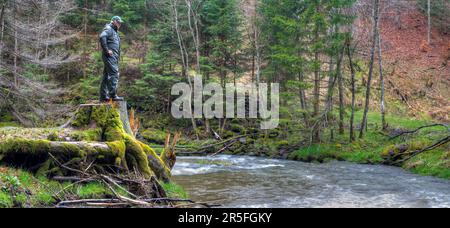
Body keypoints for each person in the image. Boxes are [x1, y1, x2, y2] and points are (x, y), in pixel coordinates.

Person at [99, 16, 124, 102]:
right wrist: (107, 50)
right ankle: (113, 95)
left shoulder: (114, 31)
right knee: (114, 74)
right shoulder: (109, 29)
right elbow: (102, 37)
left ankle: (103, 97)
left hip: (113, 57)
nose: (119, 24)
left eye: (120, 22)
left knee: (106, 76)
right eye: (118, 22)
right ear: (113, 21)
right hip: (109, 56)